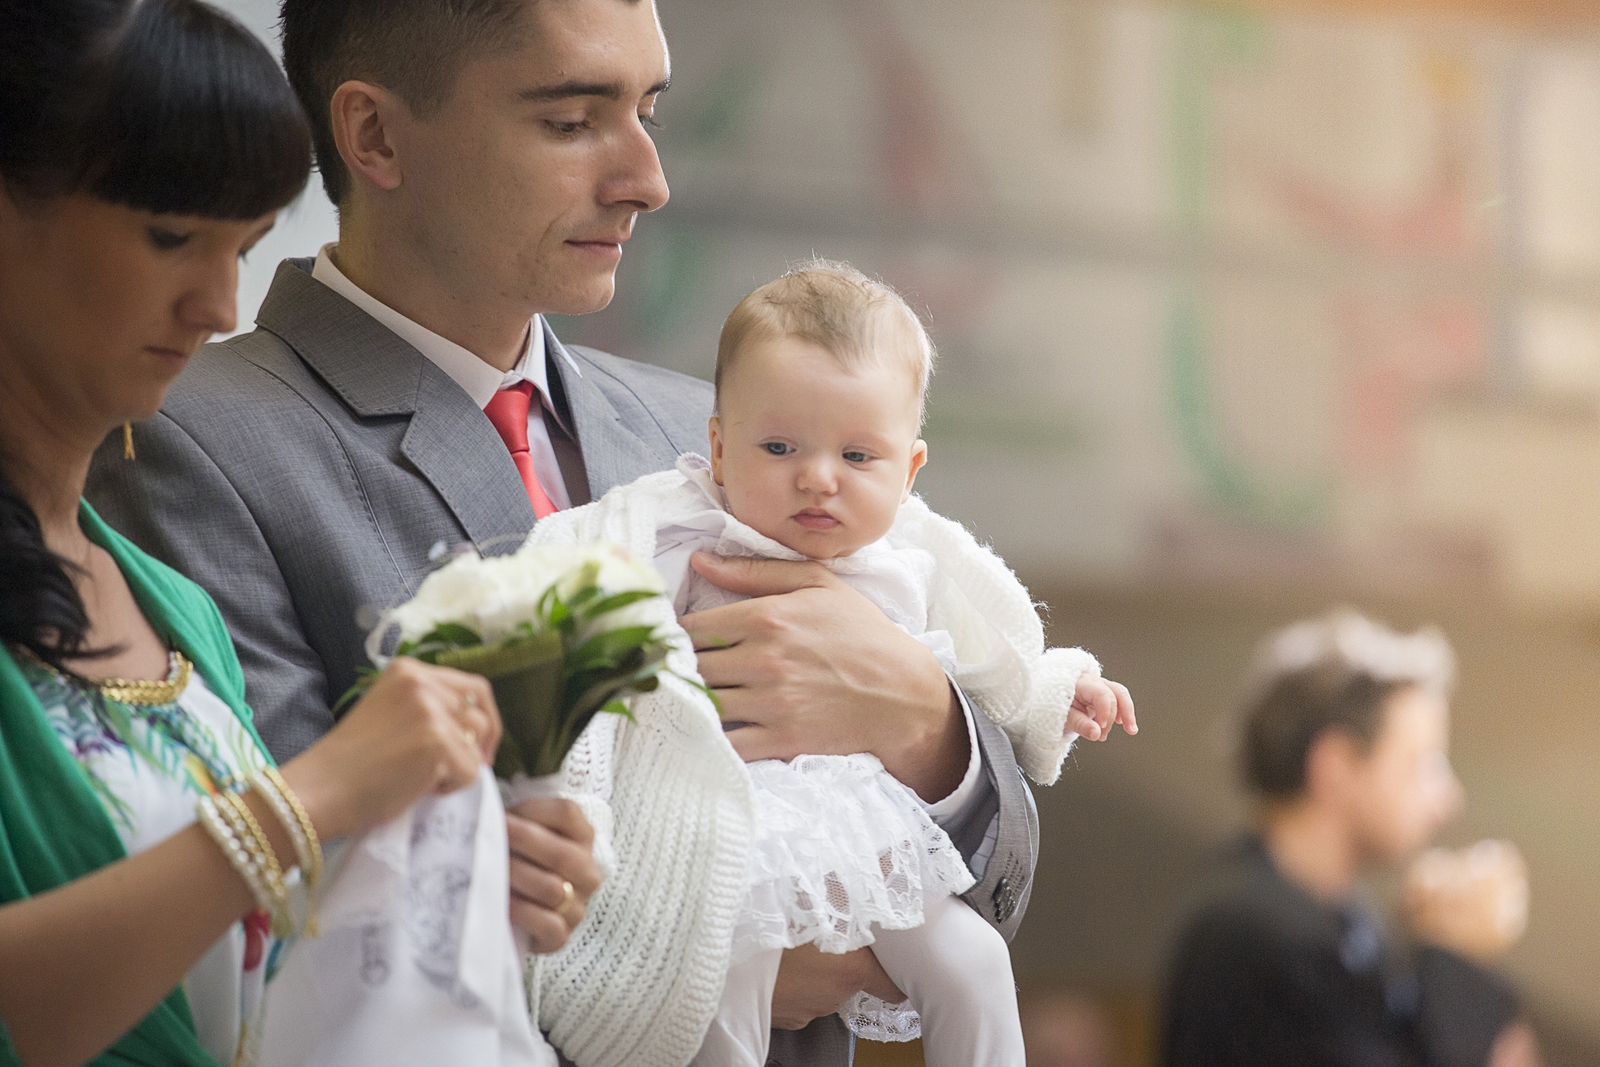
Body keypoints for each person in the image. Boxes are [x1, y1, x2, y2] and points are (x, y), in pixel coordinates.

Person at [85, 1, 1043, 1060]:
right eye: (573, 120)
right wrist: (699, 945)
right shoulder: (191, 442)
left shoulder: (718, 435)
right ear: (376, 136)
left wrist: (925, 727)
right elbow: (292, 916)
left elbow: (1003, 868)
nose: (646, 177)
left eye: (649, 112)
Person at [0, 2, 522, 1064]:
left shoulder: (162, 595)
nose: (217, 302)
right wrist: (308, 800)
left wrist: (457, 869)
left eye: (242, 246)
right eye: (171, 237)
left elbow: (248, 978)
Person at [524, 262, 1138, 1067]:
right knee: (728, 978)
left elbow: (994, 650)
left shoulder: (915, 549)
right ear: (717, 444)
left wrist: (1058, 689)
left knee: (976, 962)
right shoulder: (682, 523)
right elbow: (583, 571)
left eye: (858, 454)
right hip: (730, 840)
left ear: (909, 469)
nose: (818, 476)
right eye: (779, 446)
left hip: (872, 839)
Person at [1162, 610, 1541, 1067]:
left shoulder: (1348, 922)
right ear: (1336, 765)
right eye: (1423, 764)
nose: (1448, 799)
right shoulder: (1244, 937)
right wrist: (1454, 952)